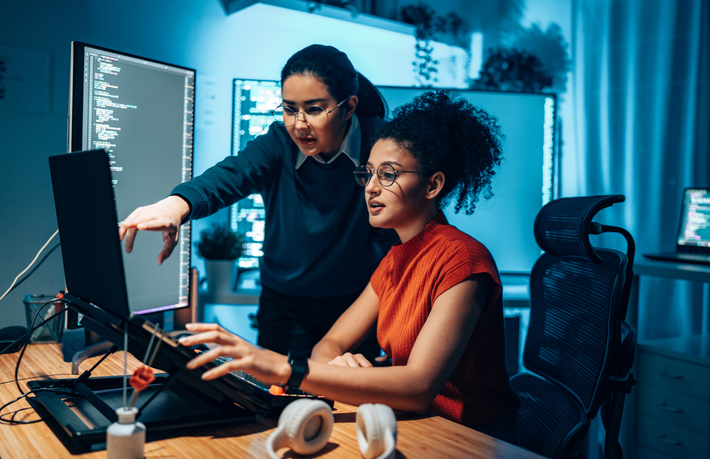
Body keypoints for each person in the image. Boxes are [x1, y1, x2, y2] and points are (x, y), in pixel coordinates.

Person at [178, 90, 521, 443]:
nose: (370, 188)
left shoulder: (462, 261)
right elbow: (329, 343)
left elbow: (418, 386)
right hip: (419, 426)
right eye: (368, 173)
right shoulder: (395, 258)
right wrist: (340, 364)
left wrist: (281, 366)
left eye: (387, 175)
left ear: (432, 185)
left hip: (472, 439)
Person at [119, 45, 397, 360]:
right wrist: (177, 205)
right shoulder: (279, 143)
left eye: (315, 109)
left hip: (356, 305)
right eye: (290, 109)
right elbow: (231, 175)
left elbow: (403, 223)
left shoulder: (381, 144)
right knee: (276, 402)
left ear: (349, 108)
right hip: (284, 307)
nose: (299, 124)